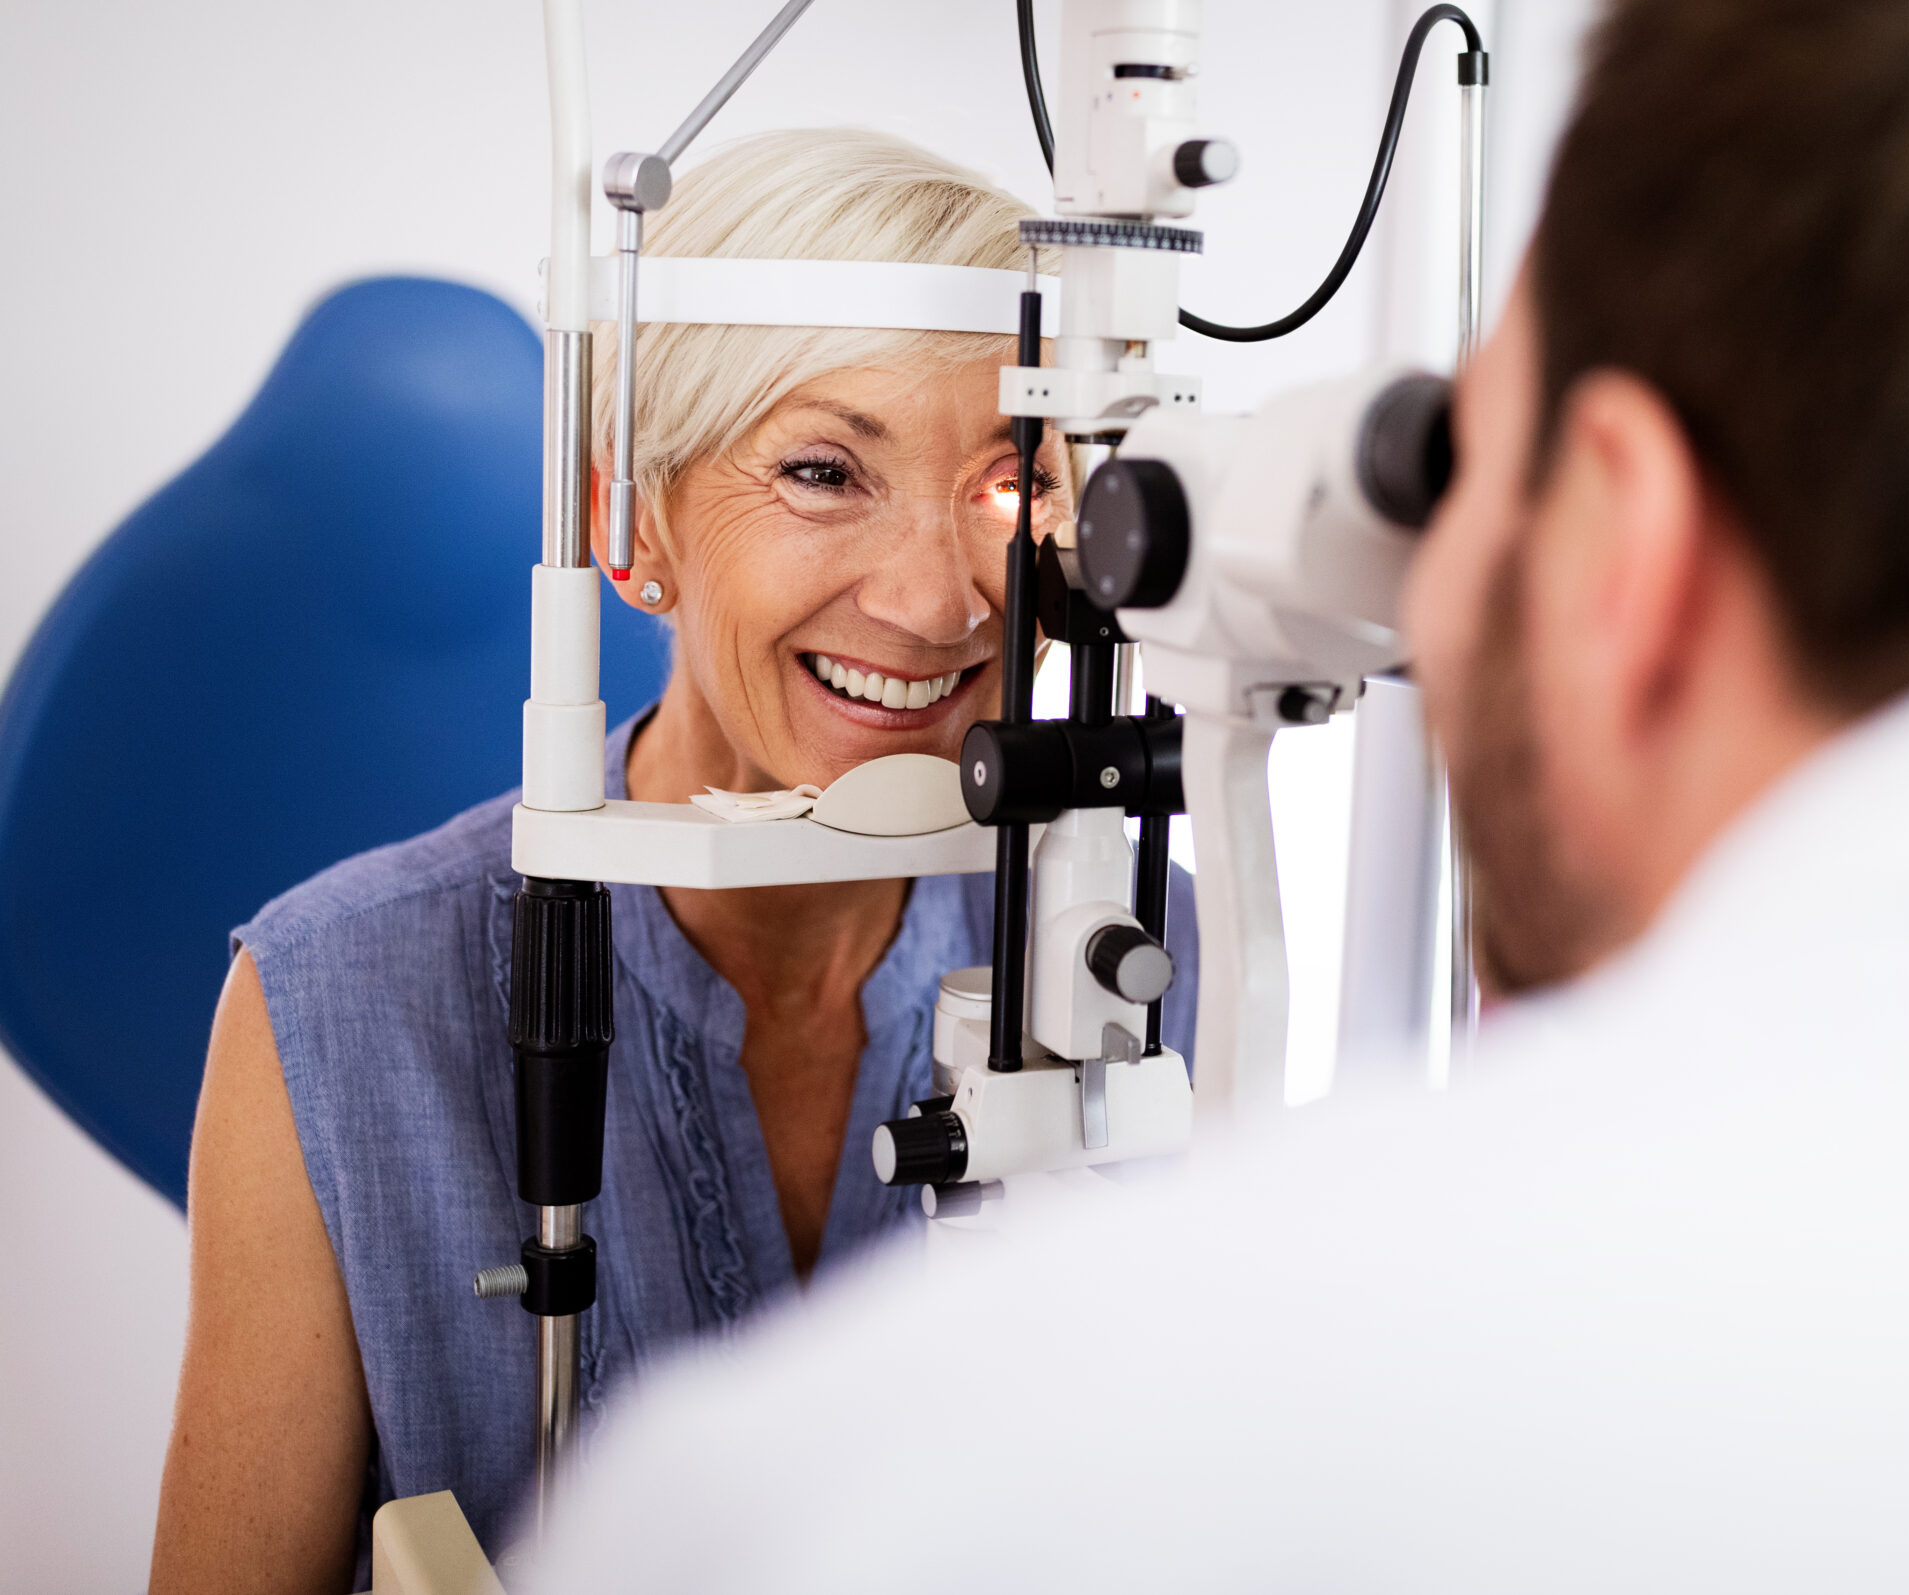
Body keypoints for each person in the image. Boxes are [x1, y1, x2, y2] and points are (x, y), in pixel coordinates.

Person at [524, 0, 1909, 1587]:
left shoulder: (923, 1493)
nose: (943, 584)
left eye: (1461, 460)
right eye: (819, 469)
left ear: (1624, 530)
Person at [147, 128, 1199, 1593]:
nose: (938, 599)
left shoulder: (1141, 942)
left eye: (1009, 486)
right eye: (825, 471)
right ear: (632, 522)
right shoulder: (339, 1005)